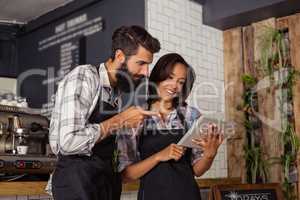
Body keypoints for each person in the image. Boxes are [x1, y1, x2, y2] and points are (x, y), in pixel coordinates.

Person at [48, 25, 160, 200]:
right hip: (78, 185)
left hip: (104, 185)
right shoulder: (85, 77)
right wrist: (121, 120)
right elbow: (68, 141)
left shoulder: (116, 94)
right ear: (120, 56)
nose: (146, 72)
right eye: (141, 63)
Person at [118, 53, 224, 200]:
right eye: (170, 77)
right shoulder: (136, 116)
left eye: (180, 82)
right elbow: (126, 175)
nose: (174, 86)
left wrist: (209, 155)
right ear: (157, 78)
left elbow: (197, 171)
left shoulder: (191, 115)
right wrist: (159, 156)